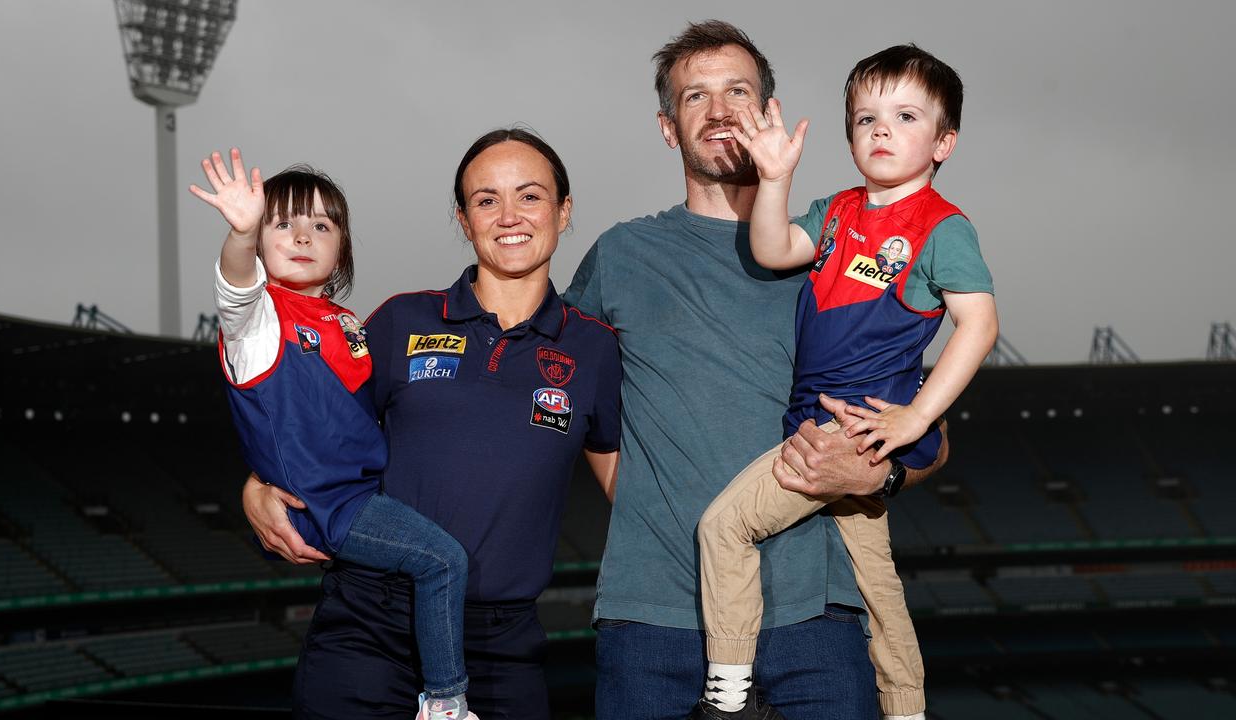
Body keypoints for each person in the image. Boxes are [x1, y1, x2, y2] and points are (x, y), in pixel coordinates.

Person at [563, 22, 950, 720]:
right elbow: (569, 396)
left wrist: (879, 473)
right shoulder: (621, 255)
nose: (718, 110)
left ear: (770, 110)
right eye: (694, 96)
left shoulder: (840, 248)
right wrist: (637, 491)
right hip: (656, 618)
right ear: (667, 127)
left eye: (737, 91)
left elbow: (930, 430)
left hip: (814, 619)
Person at [241, 129, 622, 720]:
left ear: (563, 211)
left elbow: (624, 482)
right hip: (370, 624)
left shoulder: (595, 349)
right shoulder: (399, 321)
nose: (509, 216)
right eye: (486, 200)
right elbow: (315, 424)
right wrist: (255, 485)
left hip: (501, 644)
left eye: (530, 196)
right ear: (463, 219)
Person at [693, 44, 998, 720]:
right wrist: (775, 178)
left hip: (853, 428)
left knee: (723, 529)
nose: (882, 129)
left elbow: (978, 326)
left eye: (906, 115)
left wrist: (916, 419)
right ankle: (908, 710)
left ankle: (729, 696)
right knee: (877, 586)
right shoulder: (835, 211)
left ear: (944, 141)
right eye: (865, 118)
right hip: (824, 424)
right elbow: (772, 250)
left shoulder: (944, 229)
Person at [191, 153, 482, 720]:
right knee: (442, 561)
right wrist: (241, 232)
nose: (303, 235)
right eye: (283, 224)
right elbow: (234, 288)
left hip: (361, 494)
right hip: (329, 504)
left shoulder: (344, 321)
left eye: (321, 225)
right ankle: (446, 705)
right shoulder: (259, 320)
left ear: (342, 249)